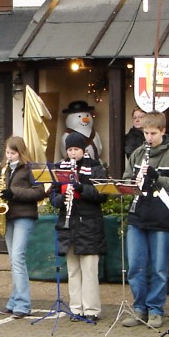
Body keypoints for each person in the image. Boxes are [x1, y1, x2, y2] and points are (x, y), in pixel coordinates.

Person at [122, 110, 169, 329]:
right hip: (138, 213)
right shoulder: (138, 153)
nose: (148, 138)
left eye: (152, 133)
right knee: (136, 266)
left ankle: (156, 309)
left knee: (159, 267)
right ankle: (139, 307)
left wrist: (158, 178)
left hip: (161, 215)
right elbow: (125, 181)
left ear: (163, 131)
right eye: (145, 133)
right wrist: (134, 181)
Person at [54, 131, 108, 320]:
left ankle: (91, 310)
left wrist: (80, 188)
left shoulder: (94, 167)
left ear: (83, 150)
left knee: (89, 270)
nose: (72, 153)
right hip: (69, 225)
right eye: (70, 149)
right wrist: (62, 198)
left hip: (89, 224)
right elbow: (53, 197)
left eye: (76, 149)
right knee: (73, 270)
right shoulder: (60, 168)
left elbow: (102, 194)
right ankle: (76, 308)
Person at [0, 136, 47, 318]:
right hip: (8, 215)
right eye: (7, 152)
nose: (9, 156)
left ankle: (23, 304)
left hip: (24, 215)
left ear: (20, 152)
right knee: (13, 260)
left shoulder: (30, 168)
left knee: (18, 257)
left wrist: (14, 192)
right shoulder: (5, 170)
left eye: (12, 153)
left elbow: (39, 192)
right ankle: (14, 300)